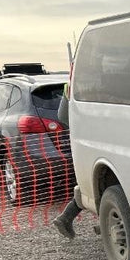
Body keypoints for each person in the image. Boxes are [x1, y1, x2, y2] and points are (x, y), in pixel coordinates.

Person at [52, 76, 82, 239]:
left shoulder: (73, 81)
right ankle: (65, 218)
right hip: (87, 137)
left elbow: (62, 116)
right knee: (88, 184)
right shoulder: (82, 80)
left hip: (82, 135)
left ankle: (65, 218)